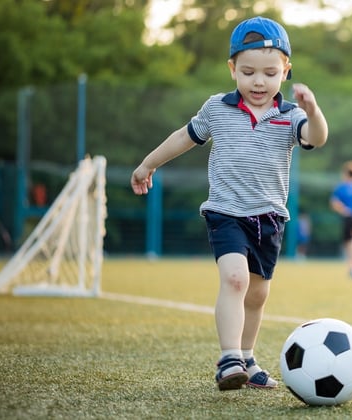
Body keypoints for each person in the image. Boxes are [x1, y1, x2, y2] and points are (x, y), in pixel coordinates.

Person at [129, 16, 328, 391]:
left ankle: (248, 358)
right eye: (248, 71)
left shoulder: (290, 116)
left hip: (269, 219)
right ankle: (229, 358)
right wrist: (148, 164)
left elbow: (316, 138)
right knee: (234, 280)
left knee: (257, 293)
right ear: (232, 69)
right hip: (226, 213)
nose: (258, 81)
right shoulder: (217, 108)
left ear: (285, 72)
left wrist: (314, 110)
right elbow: (183, 138)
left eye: (270, 73)